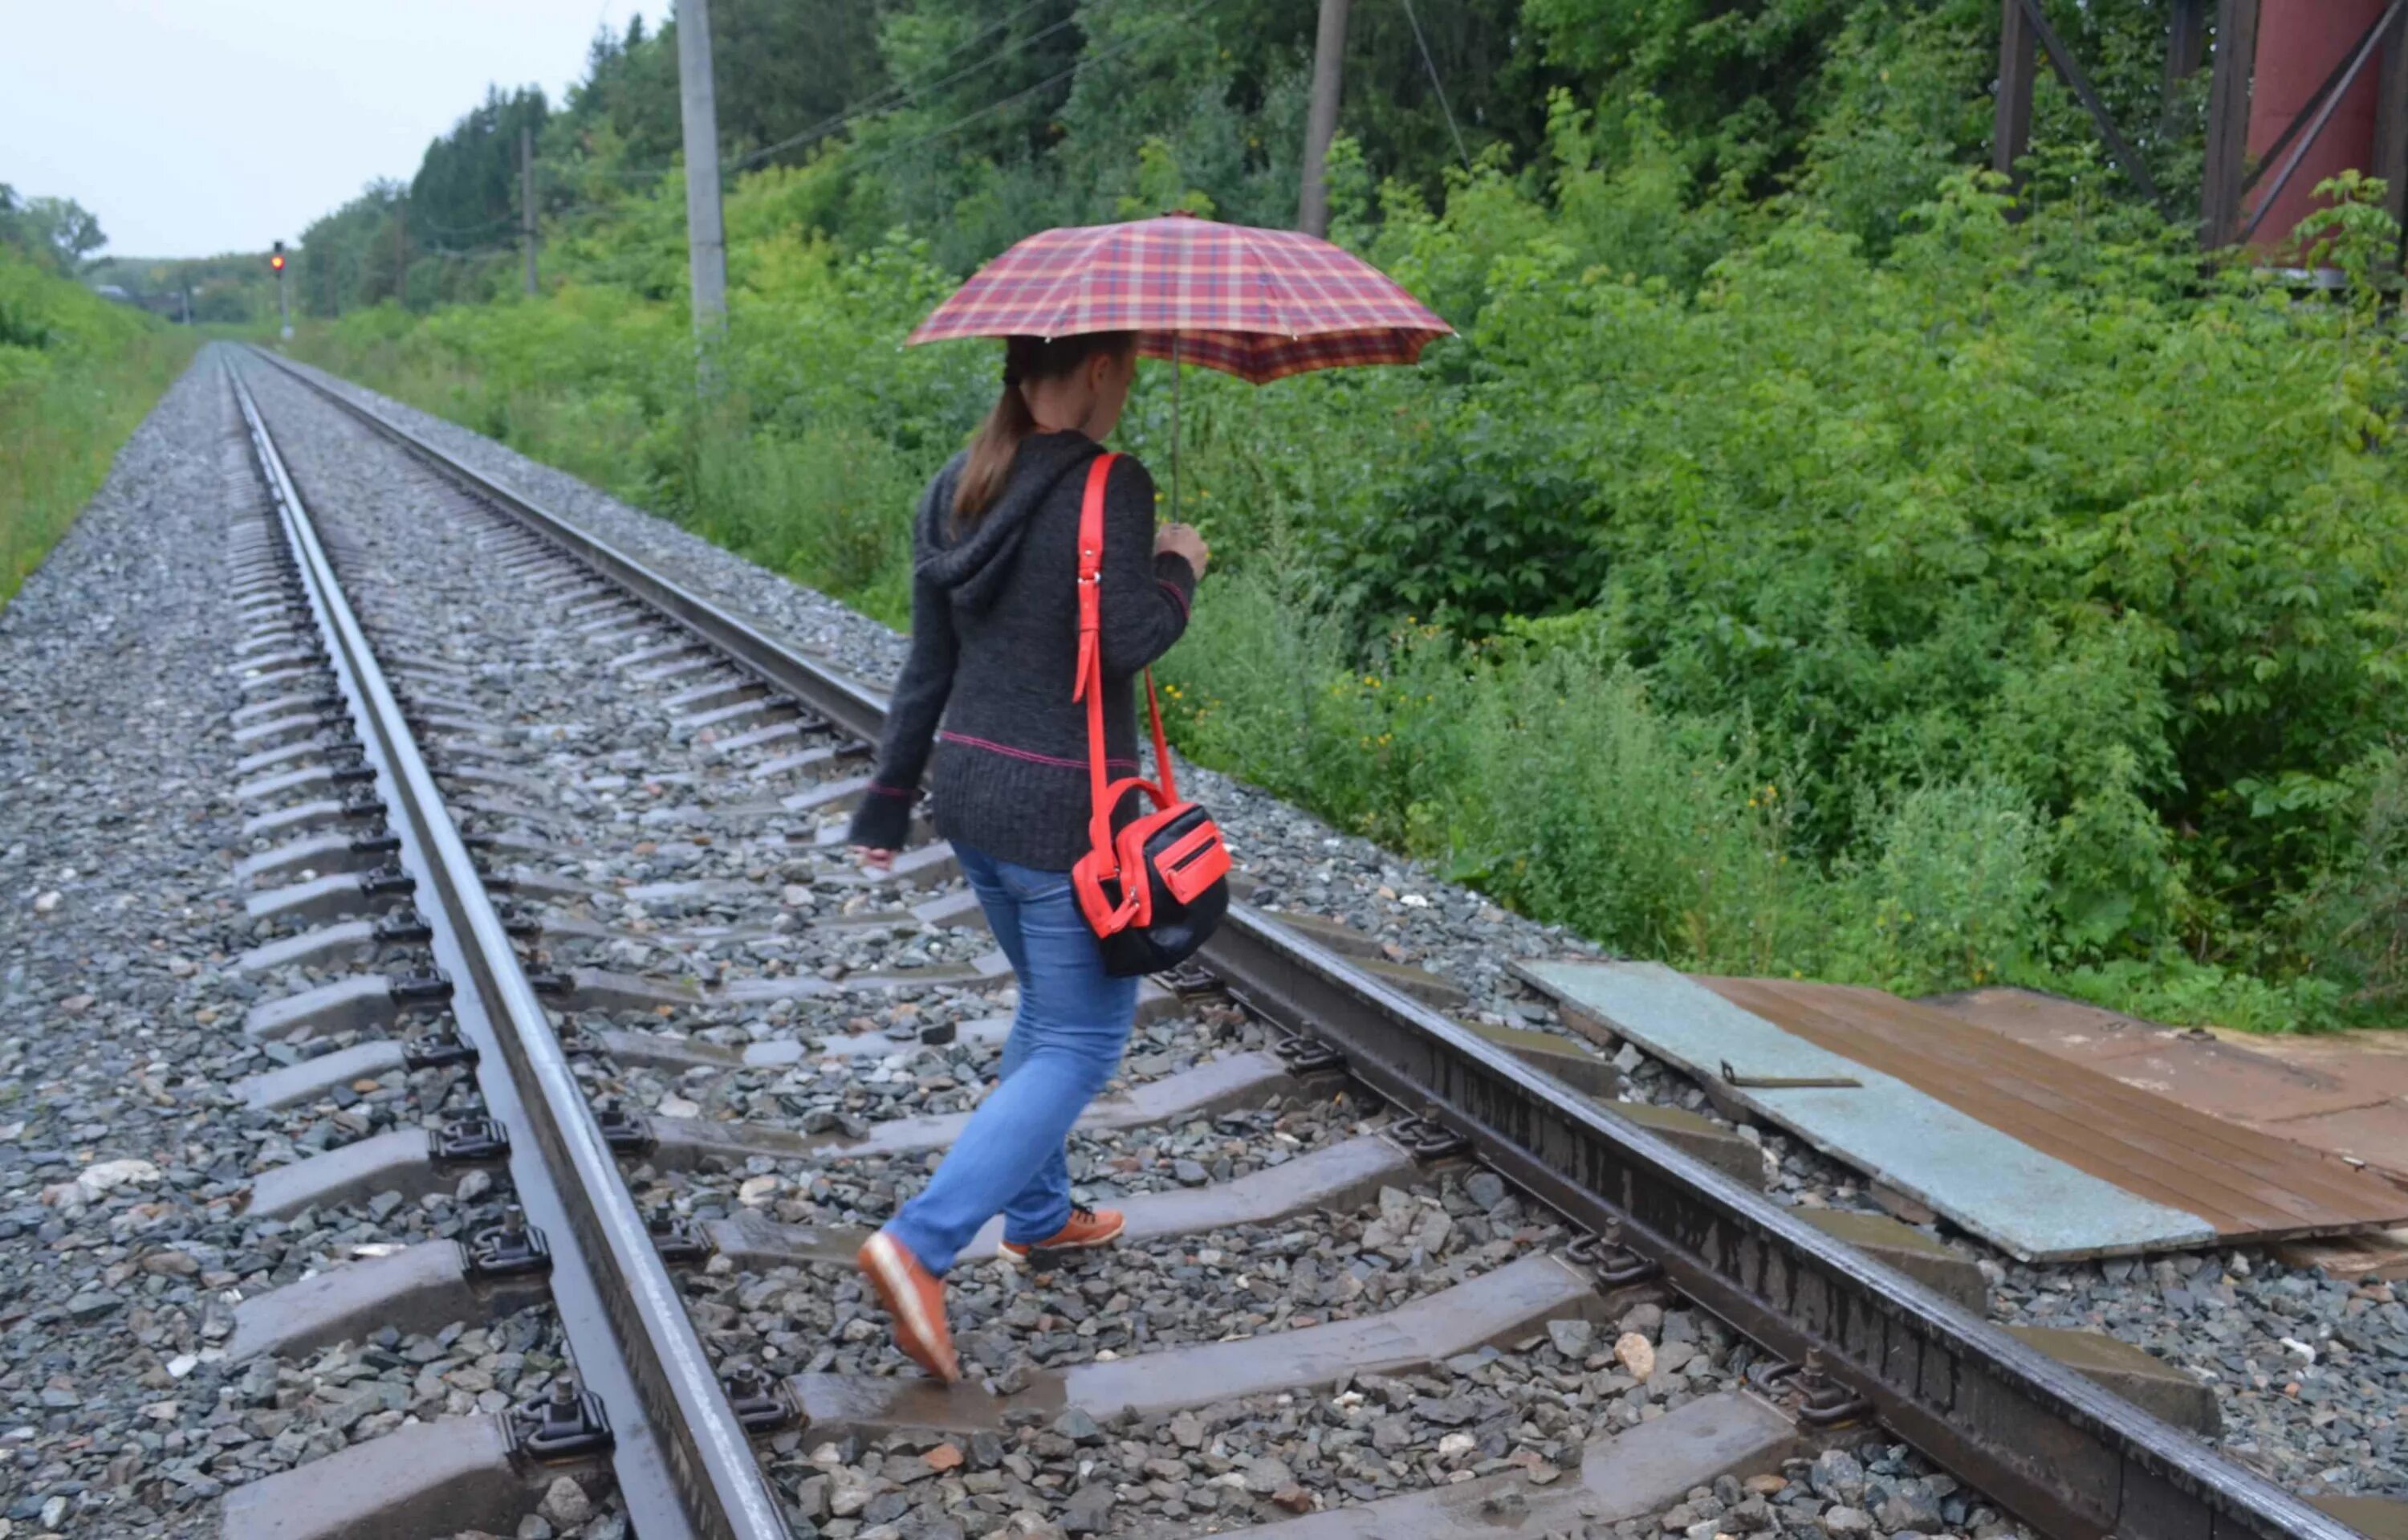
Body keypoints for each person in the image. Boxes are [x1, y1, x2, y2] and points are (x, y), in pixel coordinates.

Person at [845, 330, 1210, 1383]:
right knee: (1082, 1045)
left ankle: (1041, 1214)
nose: (1131, 385)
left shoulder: (954, 486)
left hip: (972, 798)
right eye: (1129, 367)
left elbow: (928, 666)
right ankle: (921, 1243)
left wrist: (884, 808)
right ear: (1098, 370)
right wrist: (1178, 567)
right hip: (1068, 817)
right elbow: (1128, 636)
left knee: (1046, 1014)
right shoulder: (1111, 486)